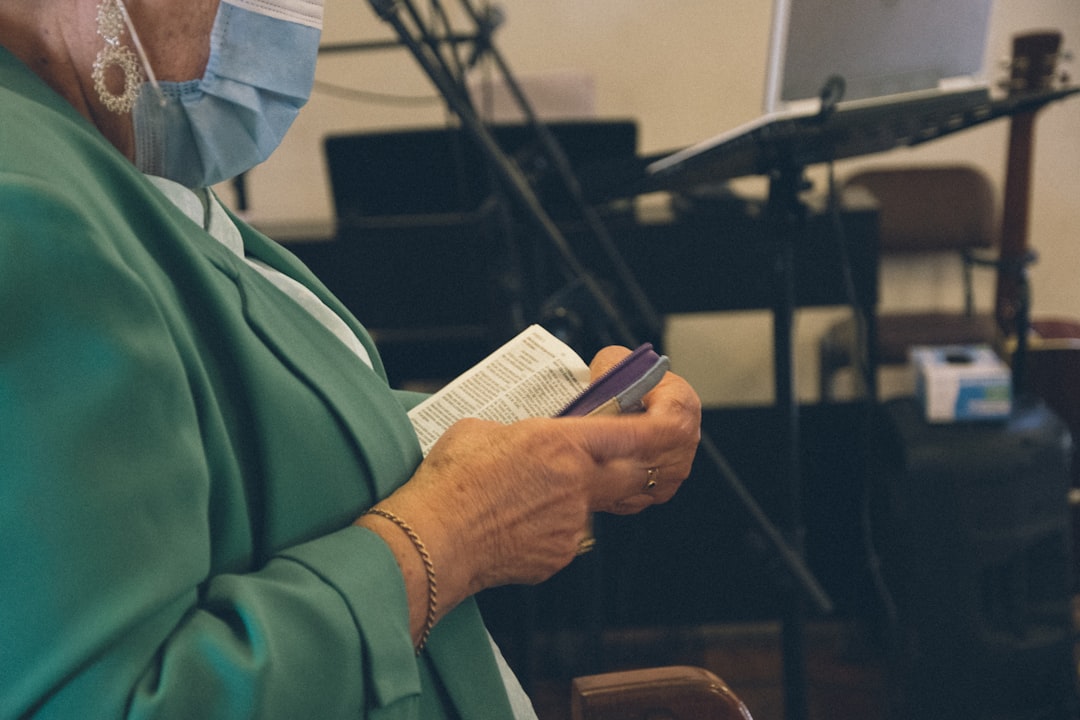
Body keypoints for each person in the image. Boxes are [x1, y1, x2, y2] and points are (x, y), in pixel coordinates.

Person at [0, 0, 702, 717]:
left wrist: (567, 432)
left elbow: (249, 446)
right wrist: (455, 533)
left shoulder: (101, 161)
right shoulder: (22, 204)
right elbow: (122, 700)